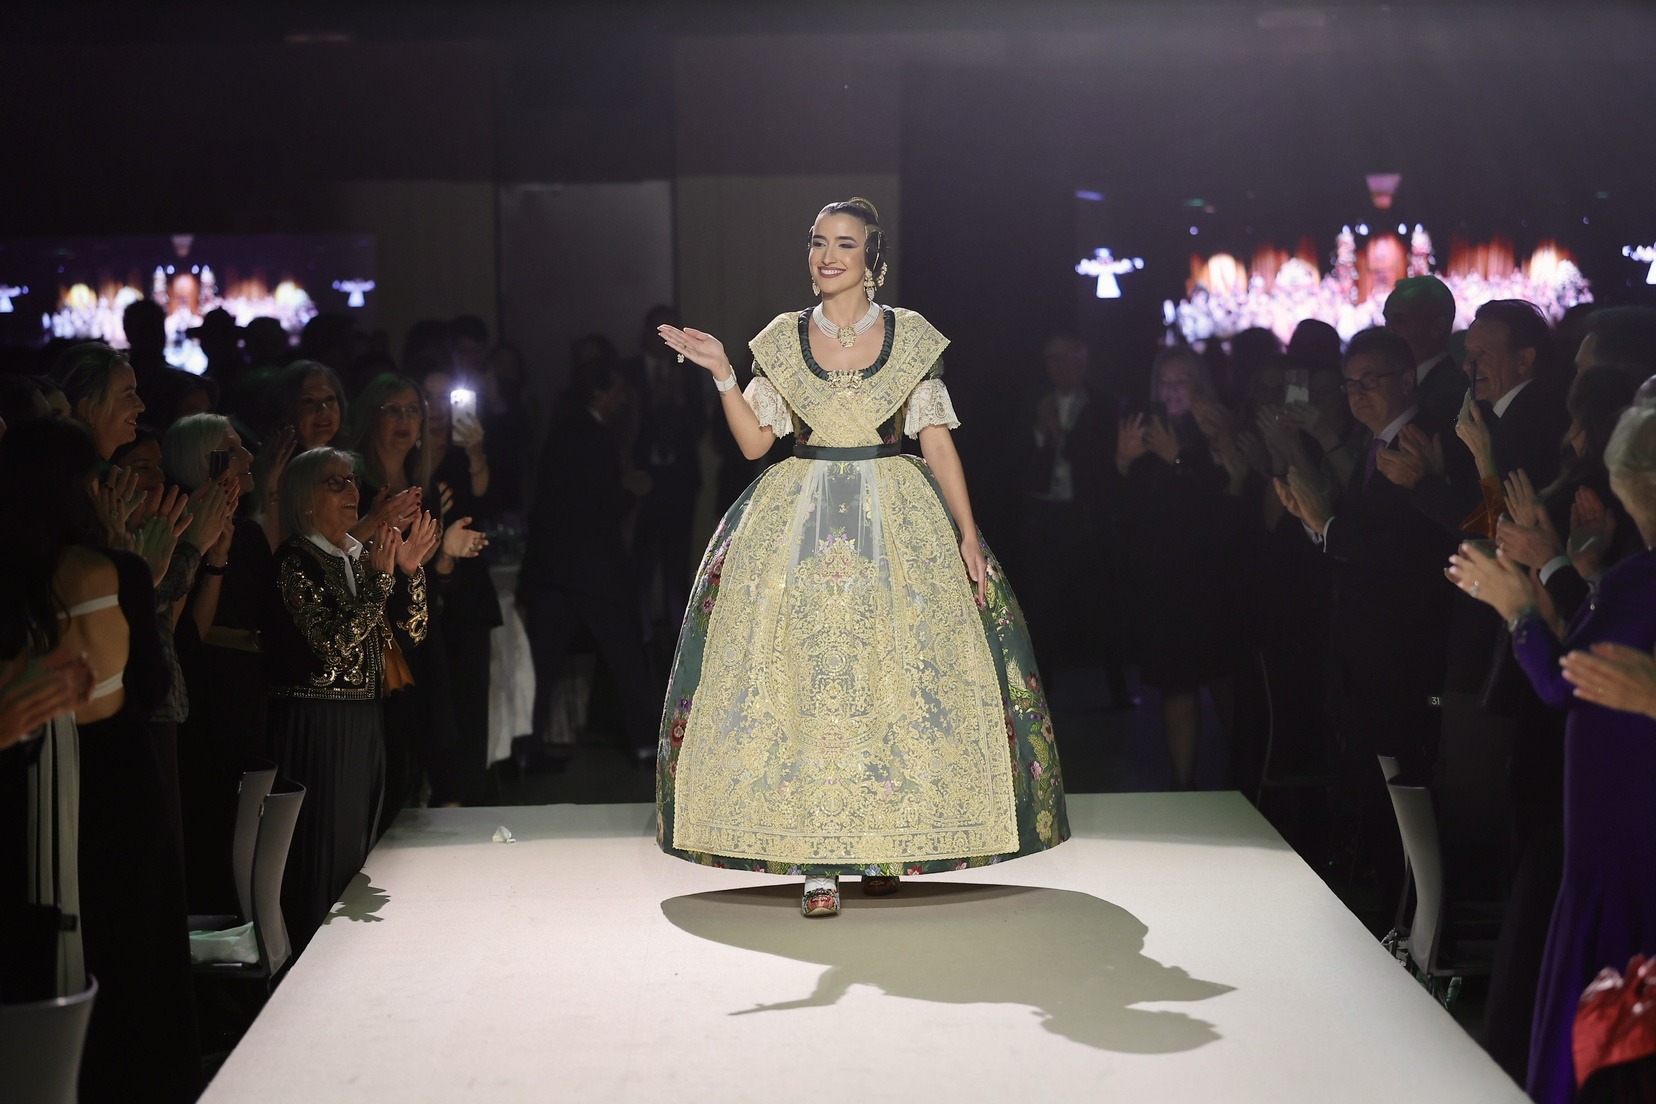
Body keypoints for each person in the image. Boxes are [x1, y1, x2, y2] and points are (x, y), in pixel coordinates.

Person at [654, 197, 1068, 917]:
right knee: (807, 678)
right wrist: (722, 372)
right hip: (801, 523)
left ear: (872, 259)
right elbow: (754, 445)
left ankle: (881, 845)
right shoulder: (782, 338)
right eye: (818, 242)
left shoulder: (908, 336)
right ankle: (818, 863)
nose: (827, 256)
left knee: (892, 676)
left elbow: (935, 440)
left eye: (844, 244)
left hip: (893, 519)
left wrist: (967, 532)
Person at [1447, 402, 1656, 1102]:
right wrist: (1574, 574)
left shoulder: (1640, 577)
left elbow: (1569, 683)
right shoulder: (1628, 573)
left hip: (1618, 834)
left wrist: (1515, 610)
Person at [0, 418, 200, 1101]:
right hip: (122, 779)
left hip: (32, 786)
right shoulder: (118, 572)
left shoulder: (9, 584)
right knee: (134, 949)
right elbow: (152, 687)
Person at [1276, 327, 1453, 903]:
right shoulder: (1375, 446)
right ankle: (1384, 898)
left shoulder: (1421, 443)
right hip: (1368, 647)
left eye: (1369, 381)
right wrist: (1317, 522)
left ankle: (1406, 909)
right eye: (1349, 384)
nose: (1356, 394)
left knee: (1401, 782)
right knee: (1373, 781)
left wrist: (1326, 525)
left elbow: (1404, 551)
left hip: (1404, 649)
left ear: (1407, 380)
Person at [264, 447, 436, 952]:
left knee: (358, 842)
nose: (351, 490)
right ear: (304, 498)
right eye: (334, 482)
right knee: (322, 845)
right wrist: (381, 581)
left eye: (352, 480)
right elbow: (333, 645)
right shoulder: (296, 560)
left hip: (364, 716)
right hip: (318, 720)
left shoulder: (357, 558)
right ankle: (308, 956)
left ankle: (347, 956)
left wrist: (410, 572)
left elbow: (413, 633)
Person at [520, 357, 660, 768]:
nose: (622, 399)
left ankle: (528, 747)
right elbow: (605, 504)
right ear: (600, 393)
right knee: (626, 655)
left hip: (553, 566)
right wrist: (633, 491)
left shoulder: (562, 430)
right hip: (593, 568)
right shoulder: (596, 436)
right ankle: (645, 744)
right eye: (616, 391)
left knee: (541, 663)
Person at [1117, 345, 1240, 790]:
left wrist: (1179, 459)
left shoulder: (1214, 429)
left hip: (1211, 578)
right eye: (1163, 382)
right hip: (1163, 581)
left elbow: (1225, 500)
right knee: (1177, 684)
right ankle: (1183, 785)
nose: (1170, 391)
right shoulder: (1146, 429)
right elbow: (1124, 510)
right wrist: (1123, 461)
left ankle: (1245, 774)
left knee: (1224, 678)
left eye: (1180, 382)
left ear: (1199, 385)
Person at [1012, 335, 1129, 705]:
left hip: (1086, 516)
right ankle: (1041, 689)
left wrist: (1057, 432)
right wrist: (1040, 430)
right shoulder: (1034, 401)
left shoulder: (1105, 404)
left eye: (1067, 358)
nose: (1059, 367)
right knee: (1041, 604)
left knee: (1102, 602)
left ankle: (1118, 689)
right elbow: (1014, 457)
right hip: (1044, 516)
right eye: (1053, 359)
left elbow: (1099, 461)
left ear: (1083, 360)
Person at [415, 361, 501, 806]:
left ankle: (463, 798)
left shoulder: (462, 455)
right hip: (419, 590)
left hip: (467, 591)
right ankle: (431, 793)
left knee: (468, 701)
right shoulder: (405, 457)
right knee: (432, 700)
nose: (436, 407)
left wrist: (476, 453)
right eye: (426, 398)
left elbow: (485, 503)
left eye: (444, 398)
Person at [622, 305, 708, 632]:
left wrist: (678, 400)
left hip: (679, 480)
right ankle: (640, 636)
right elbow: (621, 427)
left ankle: (677, 638)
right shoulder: (627, 371)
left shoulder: (688, 371)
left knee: (678, 564)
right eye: (660, 330)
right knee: (639, 564)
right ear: (646, 332)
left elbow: (700, 426)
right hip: (640, 480)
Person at [1383, 275, 1465, 429]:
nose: (1388, 331)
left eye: (1399, 321)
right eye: (1386, 320)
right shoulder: (1394, 382)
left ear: (1437, 327)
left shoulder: (1452, 395)